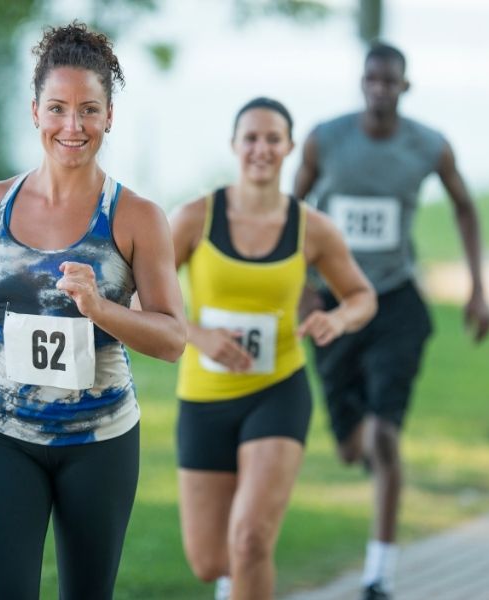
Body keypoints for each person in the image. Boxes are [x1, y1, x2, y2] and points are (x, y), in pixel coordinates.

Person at [0, 22, 186, 600]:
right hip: (3, 435)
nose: (72, 126)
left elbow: (171, 339)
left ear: (110, 116)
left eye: (88, 110)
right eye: (57, 108)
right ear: (34, 111)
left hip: (100, 444)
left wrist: (99, 308)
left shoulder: (136, 218)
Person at [293, 42, 489, 600]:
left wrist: (478, 288)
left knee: (384, 436)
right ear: (362, 83)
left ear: (405, 87)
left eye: (391, 81)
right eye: (372, 80)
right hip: (333, 302)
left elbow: (465, 206)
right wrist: (300, 283)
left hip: (395, 300)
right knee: (352, 448)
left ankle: (379, 572)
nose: (380, 89)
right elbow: (290, 211)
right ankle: (372, 453)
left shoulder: (428, 145)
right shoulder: (325, 139)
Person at [170, 97, 377, 600]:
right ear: (234, 145)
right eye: (251, 138)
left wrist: (337, 317)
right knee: (210, 560)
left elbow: (362, 296)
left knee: (251, 539)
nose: (261, 149)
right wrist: (199, 335)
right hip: (204, 397)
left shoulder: (313, 229)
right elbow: (139, 297)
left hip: (277, 391)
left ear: (289, 148)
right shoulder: (195, 218)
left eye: (273, 139)